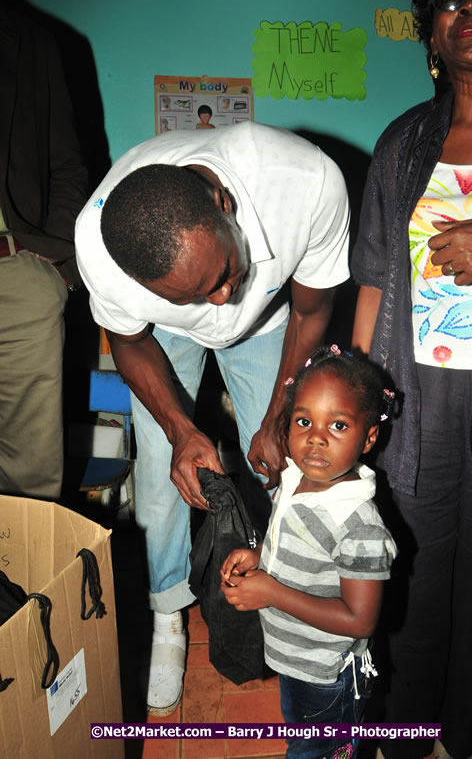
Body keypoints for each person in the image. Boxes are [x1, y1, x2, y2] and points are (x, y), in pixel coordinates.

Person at [74, 120, 350, 715]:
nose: (222, 300)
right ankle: (167, 612)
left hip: (274, 321)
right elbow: (127, 340)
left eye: (225, 271)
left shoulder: (305, 184)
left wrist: (279, 417)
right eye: (198, 291)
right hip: (162, 339)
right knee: (160, 478)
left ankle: (289, 606)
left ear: (224, 205)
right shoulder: (99, 248)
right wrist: (180, 430)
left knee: (292, 468)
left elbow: (314, 307)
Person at [351, 0, 472, 758]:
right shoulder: (401, 144)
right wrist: (357, 403)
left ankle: (459, 737)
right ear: (431, 30)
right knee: (412, 583)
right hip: (412, 397)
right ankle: (406, 731)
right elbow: (369, 283)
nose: (470, 8)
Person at [221, 345, 397, 759]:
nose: (316, 437)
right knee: (301, 734)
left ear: (369, 437)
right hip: (297, 656)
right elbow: (290, 534)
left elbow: (360, 620)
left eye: (337, 425)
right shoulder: (296, 476)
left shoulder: (360, 527)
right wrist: (260, 555)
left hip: (327, 672)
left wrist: (271, 593)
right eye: (304, 421)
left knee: (315, 750)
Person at [0, 2, 87, 500]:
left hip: (18, 273)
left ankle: (25, 580)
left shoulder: (32, 40)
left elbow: (67, 165)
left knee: (29, 488)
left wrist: (57, 272)